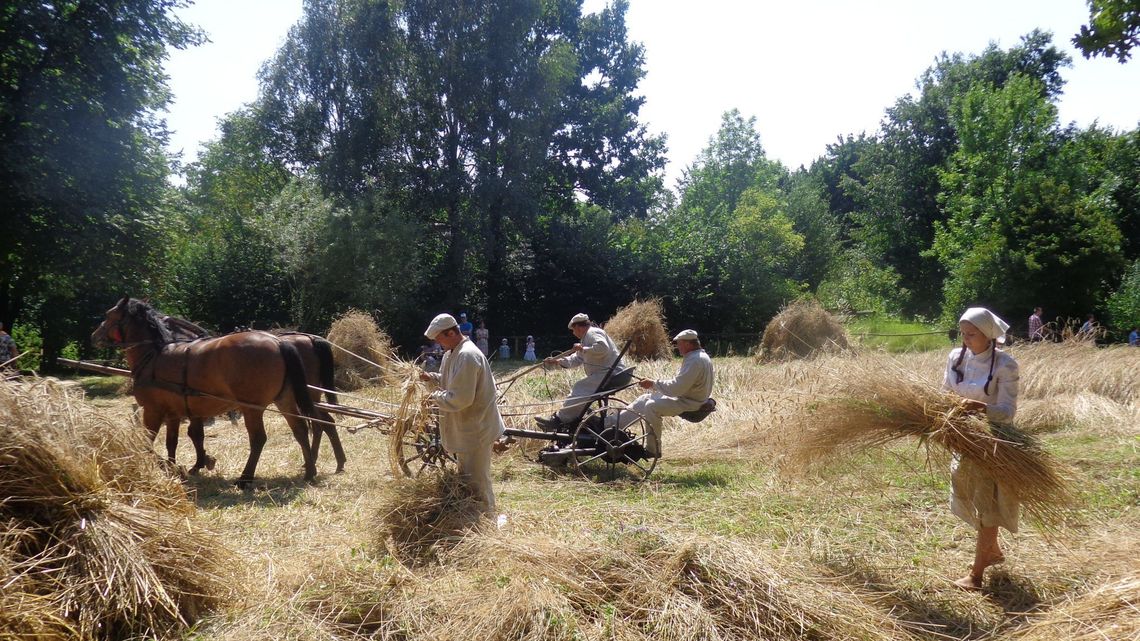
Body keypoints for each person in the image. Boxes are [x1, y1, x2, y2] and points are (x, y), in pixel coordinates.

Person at [943, 307, 1020, 591]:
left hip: (994, 442)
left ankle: (975, 576)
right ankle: (992, 551)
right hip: (964, 439)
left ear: (987, 334)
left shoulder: (1005, 365)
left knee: (987, 505)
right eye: (962, 333)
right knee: (969, 497)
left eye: (971, 334)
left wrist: (980, 408)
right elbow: (945, 394)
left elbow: (1008, 412)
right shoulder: (955, 358)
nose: (965, 339)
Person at [419, 313, 506, 515]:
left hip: (476, 427)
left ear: (451, 332)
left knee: (477, 478)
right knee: (468, 476)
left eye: (440, 339)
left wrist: (431, 397)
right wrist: (430, 377)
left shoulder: (467, 355)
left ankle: (487, 519)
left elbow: (460, 398)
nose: (438, 344)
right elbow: (450, 379)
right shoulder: (453, 353)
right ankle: (474, 516)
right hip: (468, 426)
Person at [609, 329, 714, 458]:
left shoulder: (695, 360)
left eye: (679, 344)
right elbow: (681, 385)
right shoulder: (699, 357)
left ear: (688, 344)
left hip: (690, 403)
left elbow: (677, 388)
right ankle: (611, 424)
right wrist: (654, 385)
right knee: (646, 398)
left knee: (651, 406)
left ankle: (653, 449)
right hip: (687, 399)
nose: (677, 347)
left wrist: (653, 384)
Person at [535, 313, 626, 430]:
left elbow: (603, 348)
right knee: (580, 389)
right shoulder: (586, 338)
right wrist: (557, 361)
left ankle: (560, 420)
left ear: (578, 327)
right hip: (607, 373)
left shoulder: (593, 332)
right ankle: (569, 419)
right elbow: (576, 359)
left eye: (573, 330)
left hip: (613, 373)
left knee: (580, 387)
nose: (574, 333)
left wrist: (583, 348)